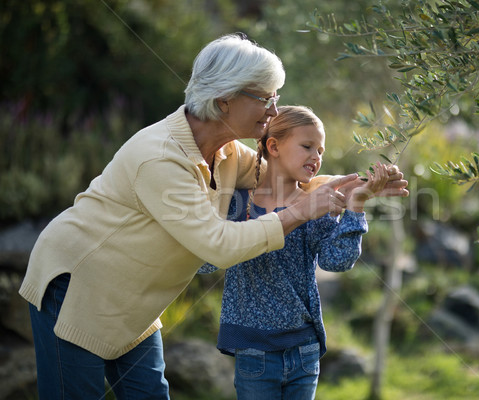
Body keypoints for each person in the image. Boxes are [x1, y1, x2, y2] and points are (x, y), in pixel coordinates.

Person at [18, 34, 389, 400]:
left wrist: (352, 186)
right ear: (225, 99)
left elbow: (279, 176)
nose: (274, 111)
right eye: (265, 98)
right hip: (79, 285)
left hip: (135, 302)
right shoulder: (161, 158)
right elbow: (219, 245)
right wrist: (304, 209)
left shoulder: (226, 152)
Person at [198, 105, 397, 400]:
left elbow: (336, 261)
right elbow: (205, 262)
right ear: (274, 146)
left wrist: (356, 205)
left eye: (320, 150)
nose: (316, 157)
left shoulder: (317, 203)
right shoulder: (236, 204)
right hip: (254, 351)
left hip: (304, 350)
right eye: (307, 146)